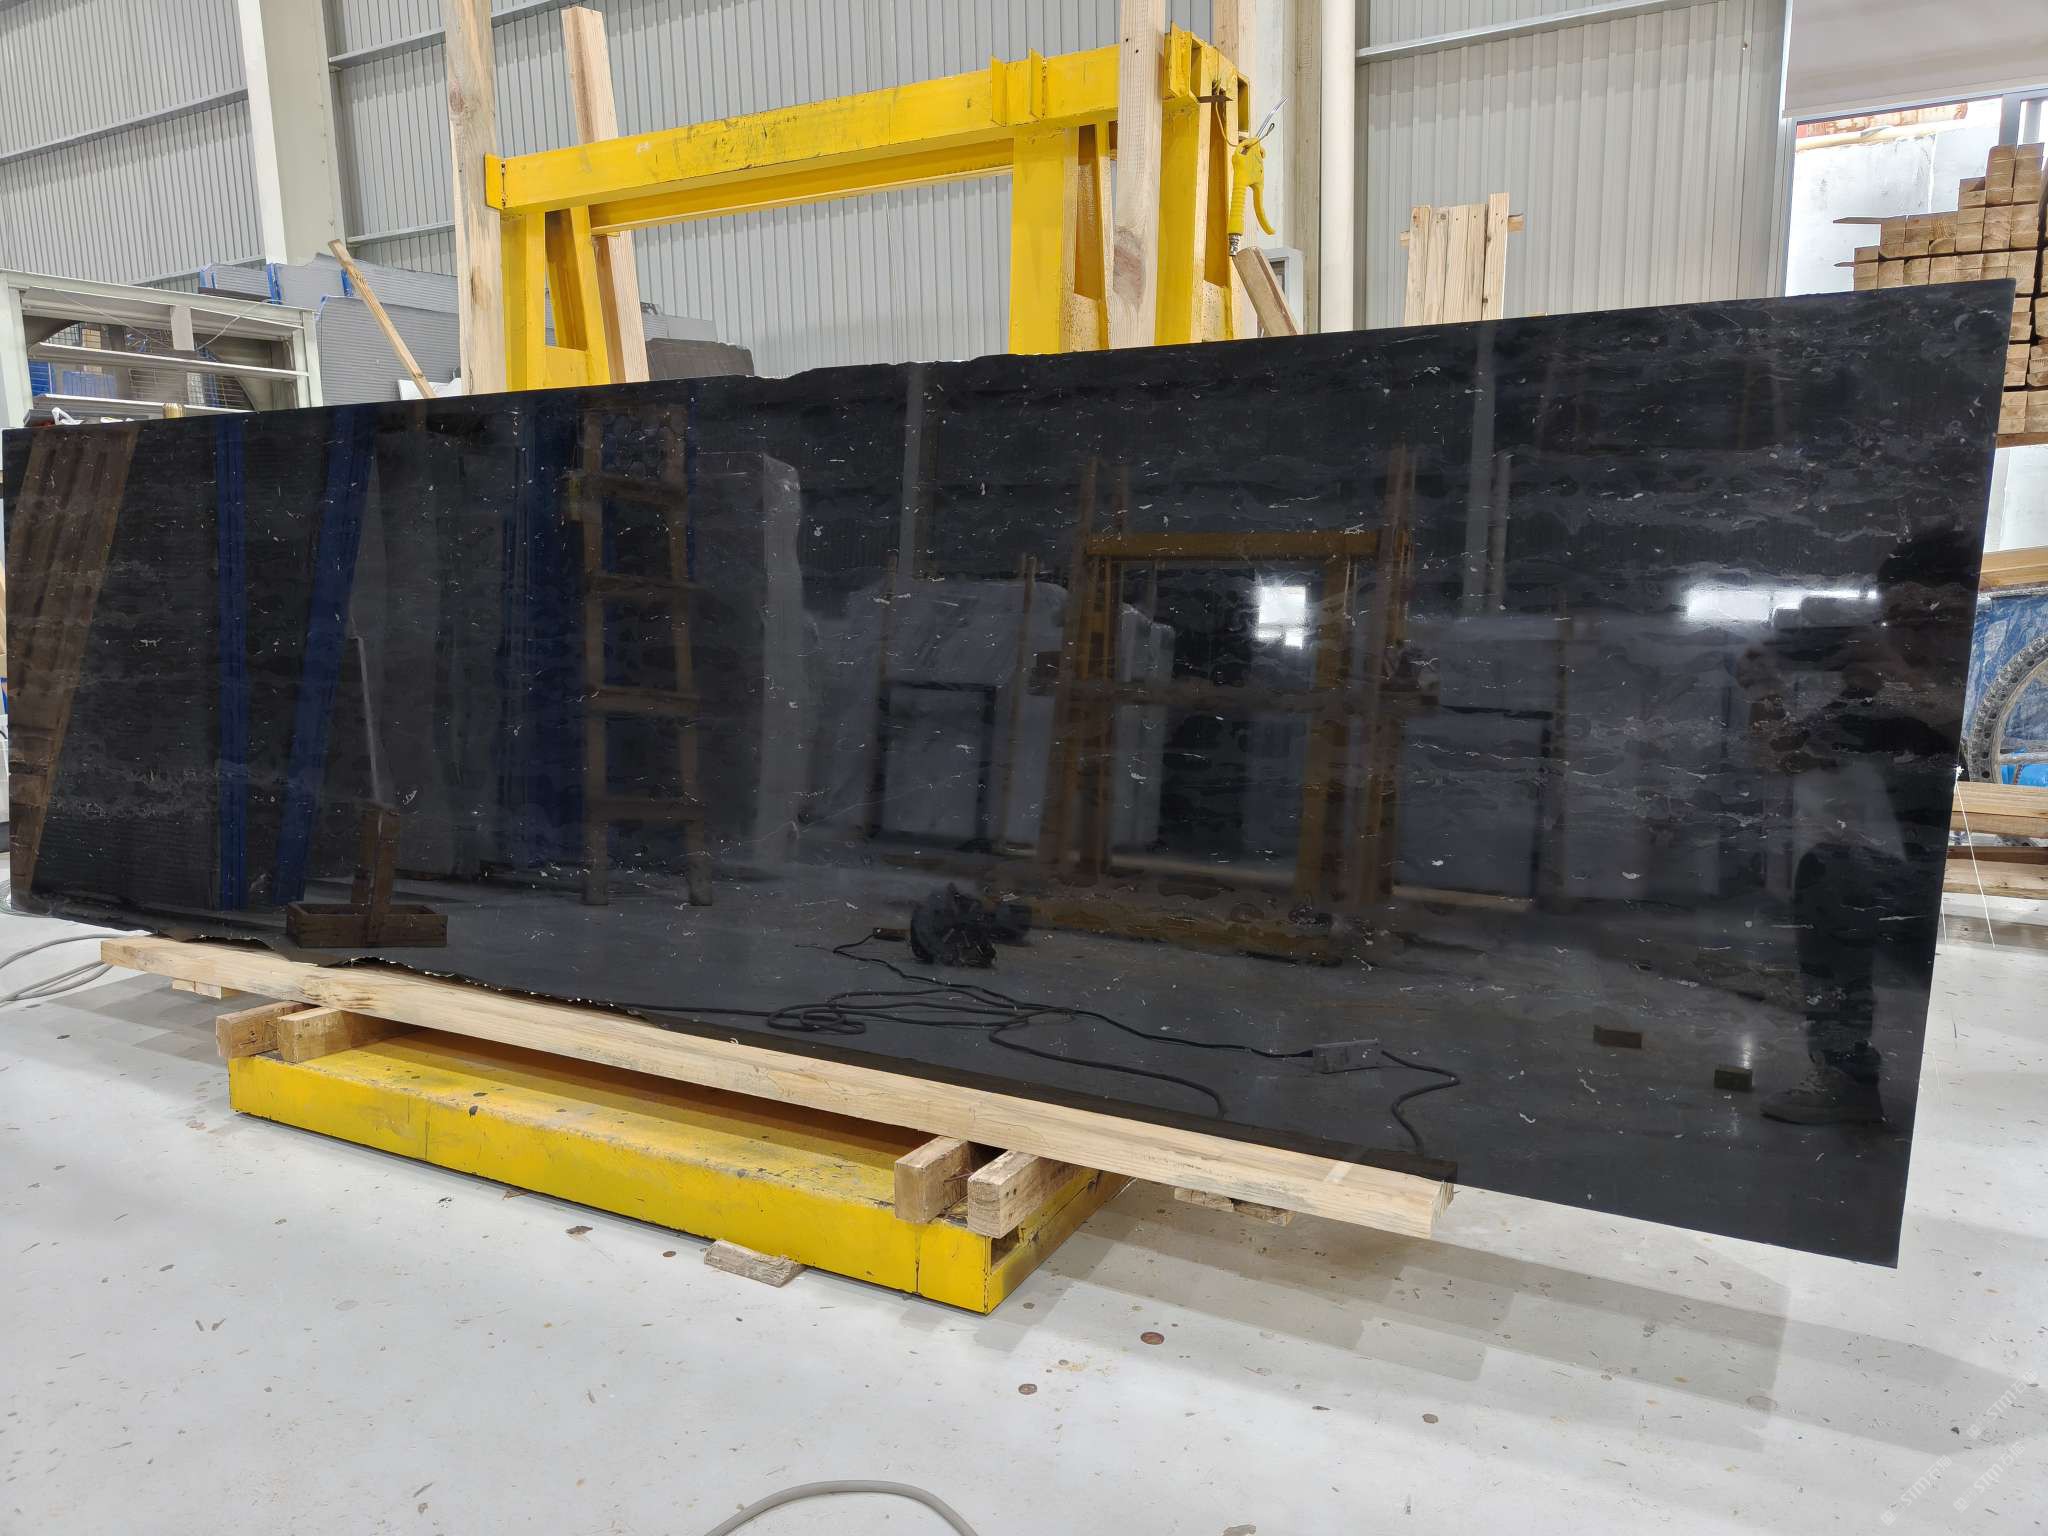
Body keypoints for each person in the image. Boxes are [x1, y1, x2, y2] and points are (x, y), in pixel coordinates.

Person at [1735, 527, 1975, 1125]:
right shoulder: (1884, 691)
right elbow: (1785, 758)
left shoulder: (2015, 667)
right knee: (1831, 871)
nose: (1915, 637)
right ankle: (1844, 1075)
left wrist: (1902, 680)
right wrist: (1764, 691)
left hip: (2011, 894)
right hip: (1934, 895)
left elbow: (1984, 738)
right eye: (1901, 620)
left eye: (1935, 619)